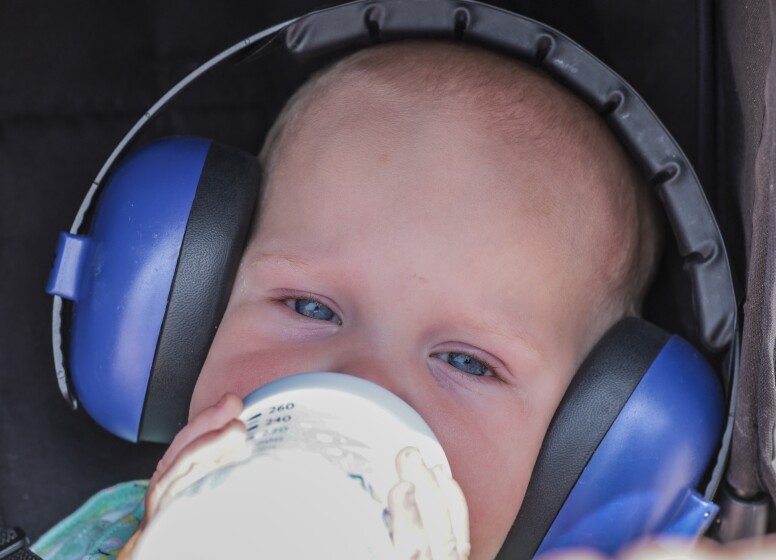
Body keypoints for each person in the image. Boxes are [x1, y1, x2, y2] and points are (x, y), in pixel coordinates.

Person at [32, 40, 660, 559]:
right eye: (309, 308)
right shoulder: (123, 533)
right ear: (194, 310)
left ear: (577, 459)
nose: (367, 381)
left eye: (468, 362)